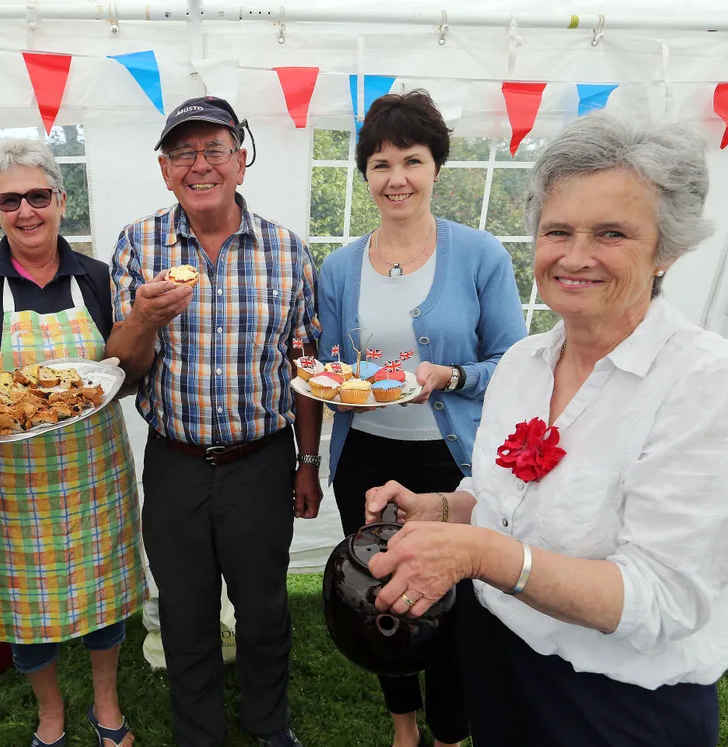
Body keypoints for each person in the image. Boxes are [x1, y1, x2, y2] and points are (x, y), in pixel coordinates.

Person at [364, 110, 728, 747]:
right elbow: (502, 496)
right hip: (499, 652)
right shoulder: (524, 364)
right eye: (557, 230)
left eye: (612, 233)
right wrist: (444, 507)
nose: (576, 256)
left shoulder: (717, 385)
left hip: (617, 699)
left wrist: (478, 554)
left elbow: (663, 599)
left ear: (668, 248)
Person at [106, 96, 323, 747]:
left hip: (260, 460)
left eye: (214, 149)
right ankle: (197, 731)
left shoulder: (286, 251)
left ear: (241, 161)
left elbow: (305, 365)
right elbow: (124, 369)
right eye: (183, 152)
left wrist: (307, 461)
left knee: (261, 606)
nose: (200, 164)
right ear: (166, 170)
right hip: (174, 461)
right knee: (183, 607)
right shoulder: (139, 245)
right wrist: (144, 317)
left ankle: (267, 722)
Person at [317, 91, 526, 747]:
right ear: (366, 174)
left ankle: (448, 733)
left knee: (450, 605)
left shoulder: (479, 255)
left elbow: (513, 362)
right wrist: (335, 382)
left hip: (451, 463)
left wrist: (452, 376)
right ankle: (403, 726)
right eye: (380, 163)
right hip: (367, 460)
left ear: (436, 166)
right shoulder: (340, 266)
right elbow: (331, 370)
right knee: (380, 596)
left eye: (411, 159)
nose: (396, 177)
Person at [0, 138, 146, 747]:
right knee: (28, 611)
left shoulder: (100, 278)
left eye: (38, 195)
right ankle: (51, 711)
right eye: (10, 200)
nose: (26, 211)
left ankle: (105, 703)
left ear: (61, 199)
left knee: (103, 592)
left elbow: (125, 373)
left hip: (94, 470)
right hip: (14, 483)